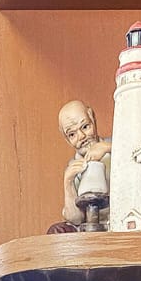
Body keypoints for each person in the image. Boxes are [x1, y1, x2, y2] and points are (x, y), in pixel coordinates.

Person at [46, 100, 112, 234]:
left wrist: (108, 148)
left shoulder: (115, 145)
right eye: (72, 134)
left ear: (92, 118)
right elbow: (76, 219)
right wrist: (68, 182)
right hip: (90, 227)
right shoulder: (74, 167)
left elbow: (137, 153)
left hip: (119, 220)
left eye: (85, 127)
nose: (81, 137)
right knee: (57, 231)